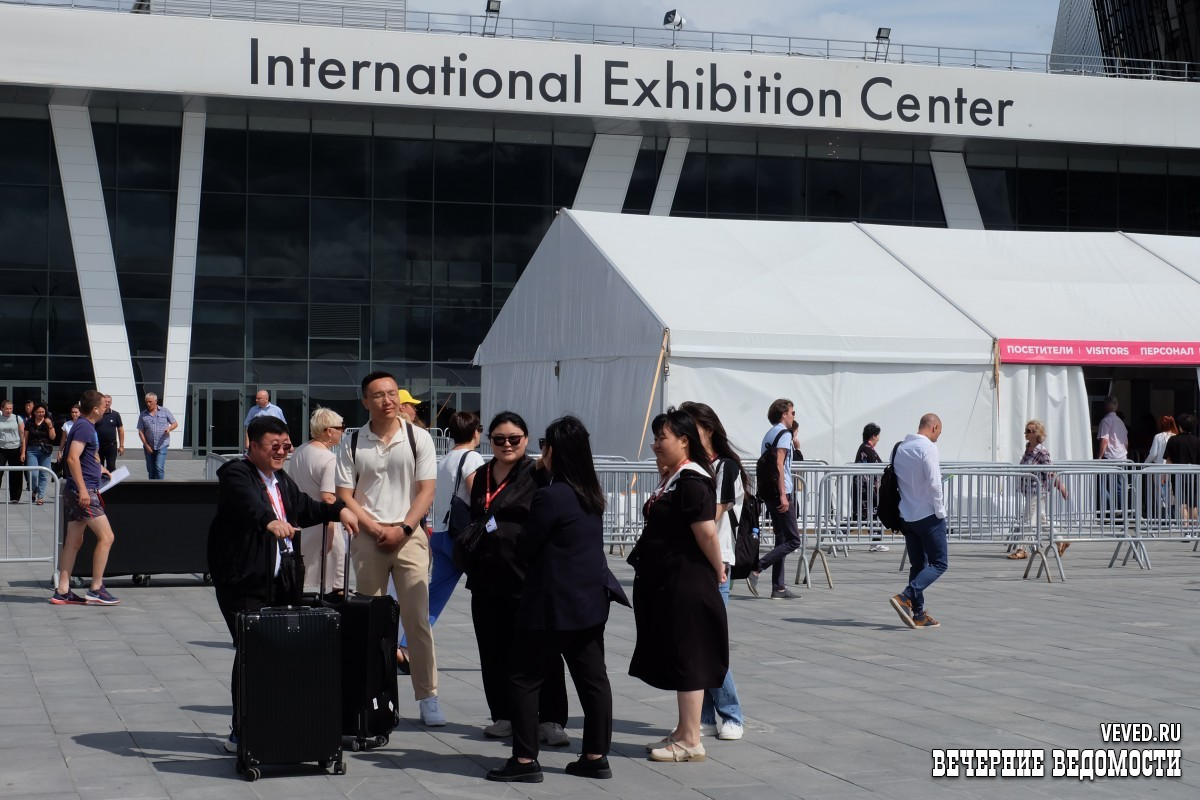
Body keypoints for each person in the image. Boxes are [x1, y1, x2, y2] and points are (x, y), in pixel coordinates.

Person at [487, 416, 630, 783]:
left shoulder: (551, 496)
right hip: (589, 602)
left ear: (553, 451)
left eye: (544, 445)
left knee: (522, 678)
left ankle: (524, 760)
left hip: (551, 605)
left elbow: (526, 546)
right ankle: (595, 755)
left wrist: (533, 477)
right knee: (593, 680)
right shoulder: (591, 493)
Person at [207, 415, 359, 752]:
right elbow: (249, 504)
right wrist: (270, 521)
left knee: (280, 651)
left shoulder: (281, 480)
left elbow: (304, 507)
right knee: (250, 650)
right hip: (244, 580)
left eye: (286, 446)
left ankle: (275, 721)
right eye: (274, 446)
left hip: (281, 579)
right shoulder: (236, 473)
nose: (282, 452)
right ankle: (242, 729)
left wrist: (339, 511)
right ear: (253, 445)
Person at [334, 371, 444, 726]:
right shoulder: (353, 441)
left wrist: (404, 528)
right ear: (365, 401)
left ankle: (428, 696)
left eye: (393, 393)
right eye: (379, 395)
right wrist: (374, 528)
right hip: (369, 538)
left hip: (409, 536)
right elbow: (345, 494)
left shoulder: (418, 437)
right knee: (371, 623)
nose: (388, 400)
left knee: (417, 620)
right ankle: (372, 697)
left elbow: (427, 490)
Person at [462, 411, 569, 746]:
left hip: (528, 577)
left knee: (541, 651)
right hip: (487, 576)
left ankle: (550, 719)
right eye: (499, 439)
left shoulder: (539, 473)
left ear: (526, 440)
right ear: (489, 441)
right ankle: (504, 715)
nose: (507, 445)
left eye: (514, 439)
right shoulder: (482, 475)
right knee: (493, 649)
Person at [629, 407, 728, 764]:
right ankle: (684, 730)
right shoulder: (676, 477)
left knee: (689, 657)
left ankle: (691, 740)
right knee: (681, 654)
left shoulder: (692, 480)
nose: (656, 444)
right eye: (655, 438)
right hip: (671, 580)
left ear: (684, 441)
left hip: (688, 581)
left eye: (662, 438)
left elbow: (707, 533)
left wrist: (718, 569)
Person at [679, 401, 746, 742]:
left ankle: (731, 714)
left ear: (707, 428)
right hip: (694, 561)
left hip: (717, 560)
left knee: (710, 642)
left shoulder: (725, 467)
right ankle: (705, 716)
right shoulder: (692, 466)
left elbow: (714, 513)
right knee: (697, 642)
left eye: (689, 427)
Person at [397, 411, 484, 674]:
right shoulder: (472, 458)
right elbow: (477, 495)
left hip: (442, 535)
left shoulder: (444, 459)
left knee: (434, 597)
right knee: (491, 592)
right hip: (464, 538)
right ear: (475, 432)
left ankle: (405, 647)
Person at [50, 390, 120, 606]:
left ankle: (62, 590)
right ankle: (96, 588)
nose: (107, 408)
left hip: (79, 489)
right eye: (104, 405)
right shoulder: (84, 427)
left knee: (74, 540)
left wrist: (100, 468)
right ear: (96, 409)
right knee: (107, 537)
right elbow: (72, 458)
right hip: (84, 491)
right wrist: (82, 490)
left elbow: (85, 456)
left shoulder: (84, 426)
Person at [888, 413, 947, 630]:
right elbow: (934, 484)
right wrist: (940, 511)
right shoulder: (928, 448)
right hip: (927, 515)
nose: (938, 437)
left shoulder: (899, 448)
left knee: (918, 565)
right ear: (934, 427)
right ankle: (906, 596)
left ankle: (919, 614)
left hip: (907, 515)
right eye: (939, 432)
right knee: (939, 563)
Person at [285, 406, 347, 598]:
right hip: (323, 525)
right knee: (335, 586)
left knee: (302, 579)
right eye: (341, 428)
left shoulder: (300, 451)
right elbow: (328, 498)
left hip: (302, 523)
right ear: (329, 431)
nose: (343, 432)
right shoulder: (329, 459)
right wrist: (331, 533)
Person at [747, 399, 800, 600]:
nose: (794, 416)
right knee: (794, 540)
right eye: (792, 412)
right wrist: (783, 494)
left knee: (782, 538)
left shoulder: (769, 434)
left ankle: (778, 588)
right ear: (783, 414)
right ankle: (757, 568)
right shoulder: (784, 434)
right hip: (780, 491)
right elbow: (779, 464)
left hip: (768, 491)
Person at [1008, 420, 1069, 560]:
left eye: (1029, 431)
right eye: (1026, 430)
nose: (1026, 433)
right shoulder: (1028, 448)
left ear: (1037, 434)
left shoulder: (1042, 451)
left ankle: (1022, 549)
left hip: (1038, 490)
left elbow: (1050, 471)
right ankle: (1061, 540)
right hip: (1028, 490)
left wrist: (1061, 486)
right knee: (1041, 519)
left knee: (1028, 519)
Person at [852, 423, 889, 552]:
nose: (879, 438)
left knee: (862, 516)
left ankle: (837, 535)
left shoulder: (865, 447)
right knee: (870, 514)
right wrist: (877, 486)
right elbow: (874, 469)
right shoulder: (868, 449)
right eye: (878, 435)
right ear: (873, 436)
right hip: (866, 489)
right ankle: (876, 542)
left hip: (863, 488)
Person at [1096, 396, 1129, 519]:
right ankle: (1122, 512)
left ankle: (1110, 510)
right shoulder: (1121, 422)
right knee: (1120, 487)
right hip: (1122, 457)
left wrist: (1099, 457)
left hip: (1109, 457)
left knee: (1103, 485)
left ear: (1105, 406)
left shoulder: (1105, 421)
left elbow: (1104, 440)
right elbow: (1126, 442)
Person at [1164, 413, 1200, 522]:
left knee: (1181, 502)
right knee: (1193, 504)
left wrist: (1164, 475)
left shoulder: (1173, 440)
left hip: (1178, 475)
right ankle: (1194, 527)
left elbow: (1168, 460)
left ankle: (1185, 527)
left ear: (1180, 427)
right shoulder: (1197, 441)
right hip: (1194, 476)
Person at [136, 392, 177, 479]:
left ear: (156, 401)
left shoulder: (165, 411)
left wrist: (169, 429)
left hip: (162, 444)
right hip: (149, 445)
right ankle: (152, 485)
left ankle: (160, 486)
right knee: (151, 469)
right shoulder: (143, 414)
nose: (148, 404)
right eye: (147, 402)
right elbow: (141, 431)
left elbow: (175, 423)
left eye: (150, 402)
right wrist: (146, 445)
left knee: (159, 467)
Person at [1145, 415, 1178, 519]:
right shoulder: (1176, 436)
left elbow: (1153, 454)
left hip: (1159, 468)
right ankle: (1172, 516)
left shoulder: (1158, 437)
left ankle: (1163, 517)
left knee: (1160, 494)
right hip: (1172, 469)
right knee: (1171, 494)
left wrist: (1144, 464)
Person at [22, 404, 55, 505]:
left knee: (43, 475)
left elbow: (53, 437)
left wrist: (50, 426)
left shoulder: (48, 422)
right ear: (35, 412)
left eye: (43, 412)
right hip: (32, 450)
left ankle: (40, 496)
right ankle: (35, 489)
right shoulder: (29, 422)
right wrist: (23, 452)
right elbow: (25, 438)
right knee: (33, 474)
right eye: (39, 412)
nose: (41, 414)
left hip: (45, 450)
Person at [0, 400, 26, 503]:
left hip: (15, 448)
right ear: (2, 408)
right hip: (1, 448)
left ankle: (15, 497)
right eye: (7, 409)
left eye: (11, 408)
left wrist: (23, 452)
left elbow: (23, 436)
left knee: (16, 473)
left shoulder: (17, 418)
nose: (9, 411)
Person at [95, 394, 125, 472]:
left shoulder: (115, 414)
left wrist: (121, 446)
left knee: (111, 467)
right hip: (98, 446)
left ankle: (111, 480)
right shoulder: (96, 414)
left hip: (111, 446)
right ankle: (100, 480)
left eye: (109, 402)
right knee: (98, 467)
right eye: (106, 401)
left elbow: (120, 430)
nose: (107, 403)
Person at [56, 404, 81, 477]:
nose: (74, 414)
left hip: (80, 448)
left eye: (76, 412)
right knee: (68, 469)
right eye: (72, 412)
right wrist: (60, 451)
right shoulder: (66, 424)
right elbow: (63, 439)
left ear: (80, 413)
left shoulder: (84, 423)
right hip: (69, 447)